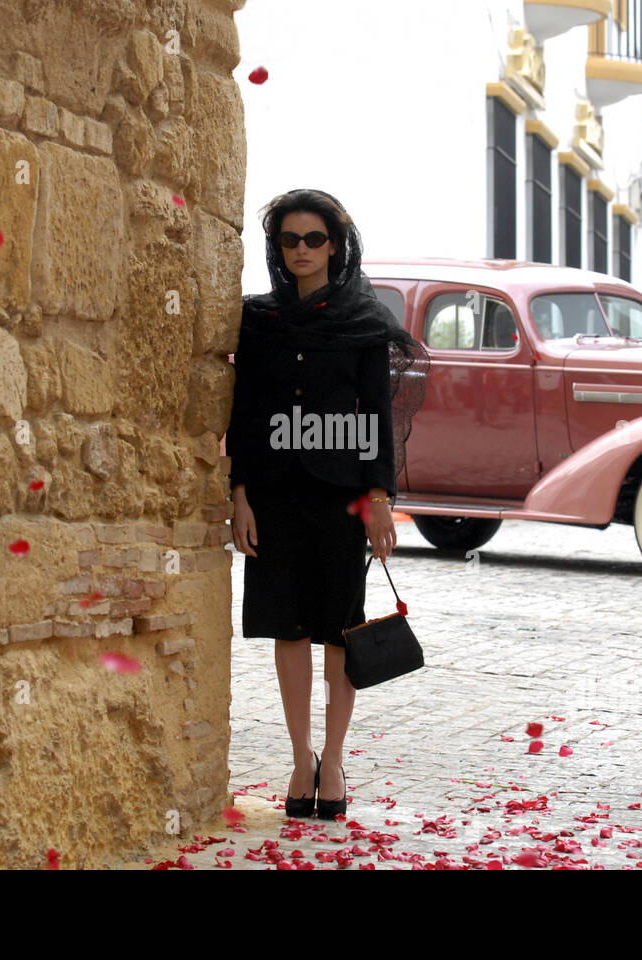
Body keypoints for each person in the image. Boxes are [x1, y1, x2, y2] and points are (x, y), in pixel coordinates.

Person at [225, 188, 428, 820]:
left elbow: (375, 416)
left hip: (342, 499)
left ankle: (334, 761)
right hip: (276, 496)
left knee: (340, 629)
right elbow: (248, 413)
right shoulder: (259, 322)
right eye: (289, 240)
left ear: (335, 245)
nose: (302, 251)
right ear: (277, 249)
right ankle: (299, 757)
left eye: (314, 239)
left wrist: (379, 498)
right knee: (287, 626)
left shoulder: (363, 323)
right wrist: (240, 495)